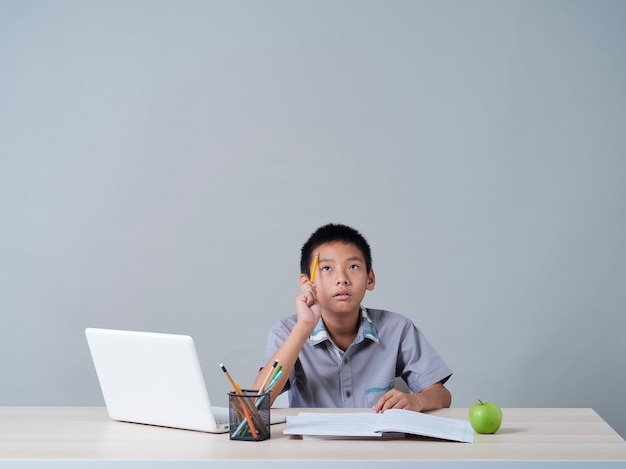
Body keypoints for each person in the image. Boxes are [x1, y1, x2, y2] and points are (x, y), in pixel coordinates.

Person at [252, 223, 452, 413]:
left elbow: (442, 396)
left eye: (353, 267)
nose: (342, 279)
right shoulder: (287, 331)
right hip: (312, 447)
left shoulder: (398, 329)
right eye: (327, 268)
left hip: (378, 446)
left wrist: (417, 400)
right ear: (306, 282)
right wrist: (304, 326)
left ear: (370, 279)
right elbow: (256, 403)